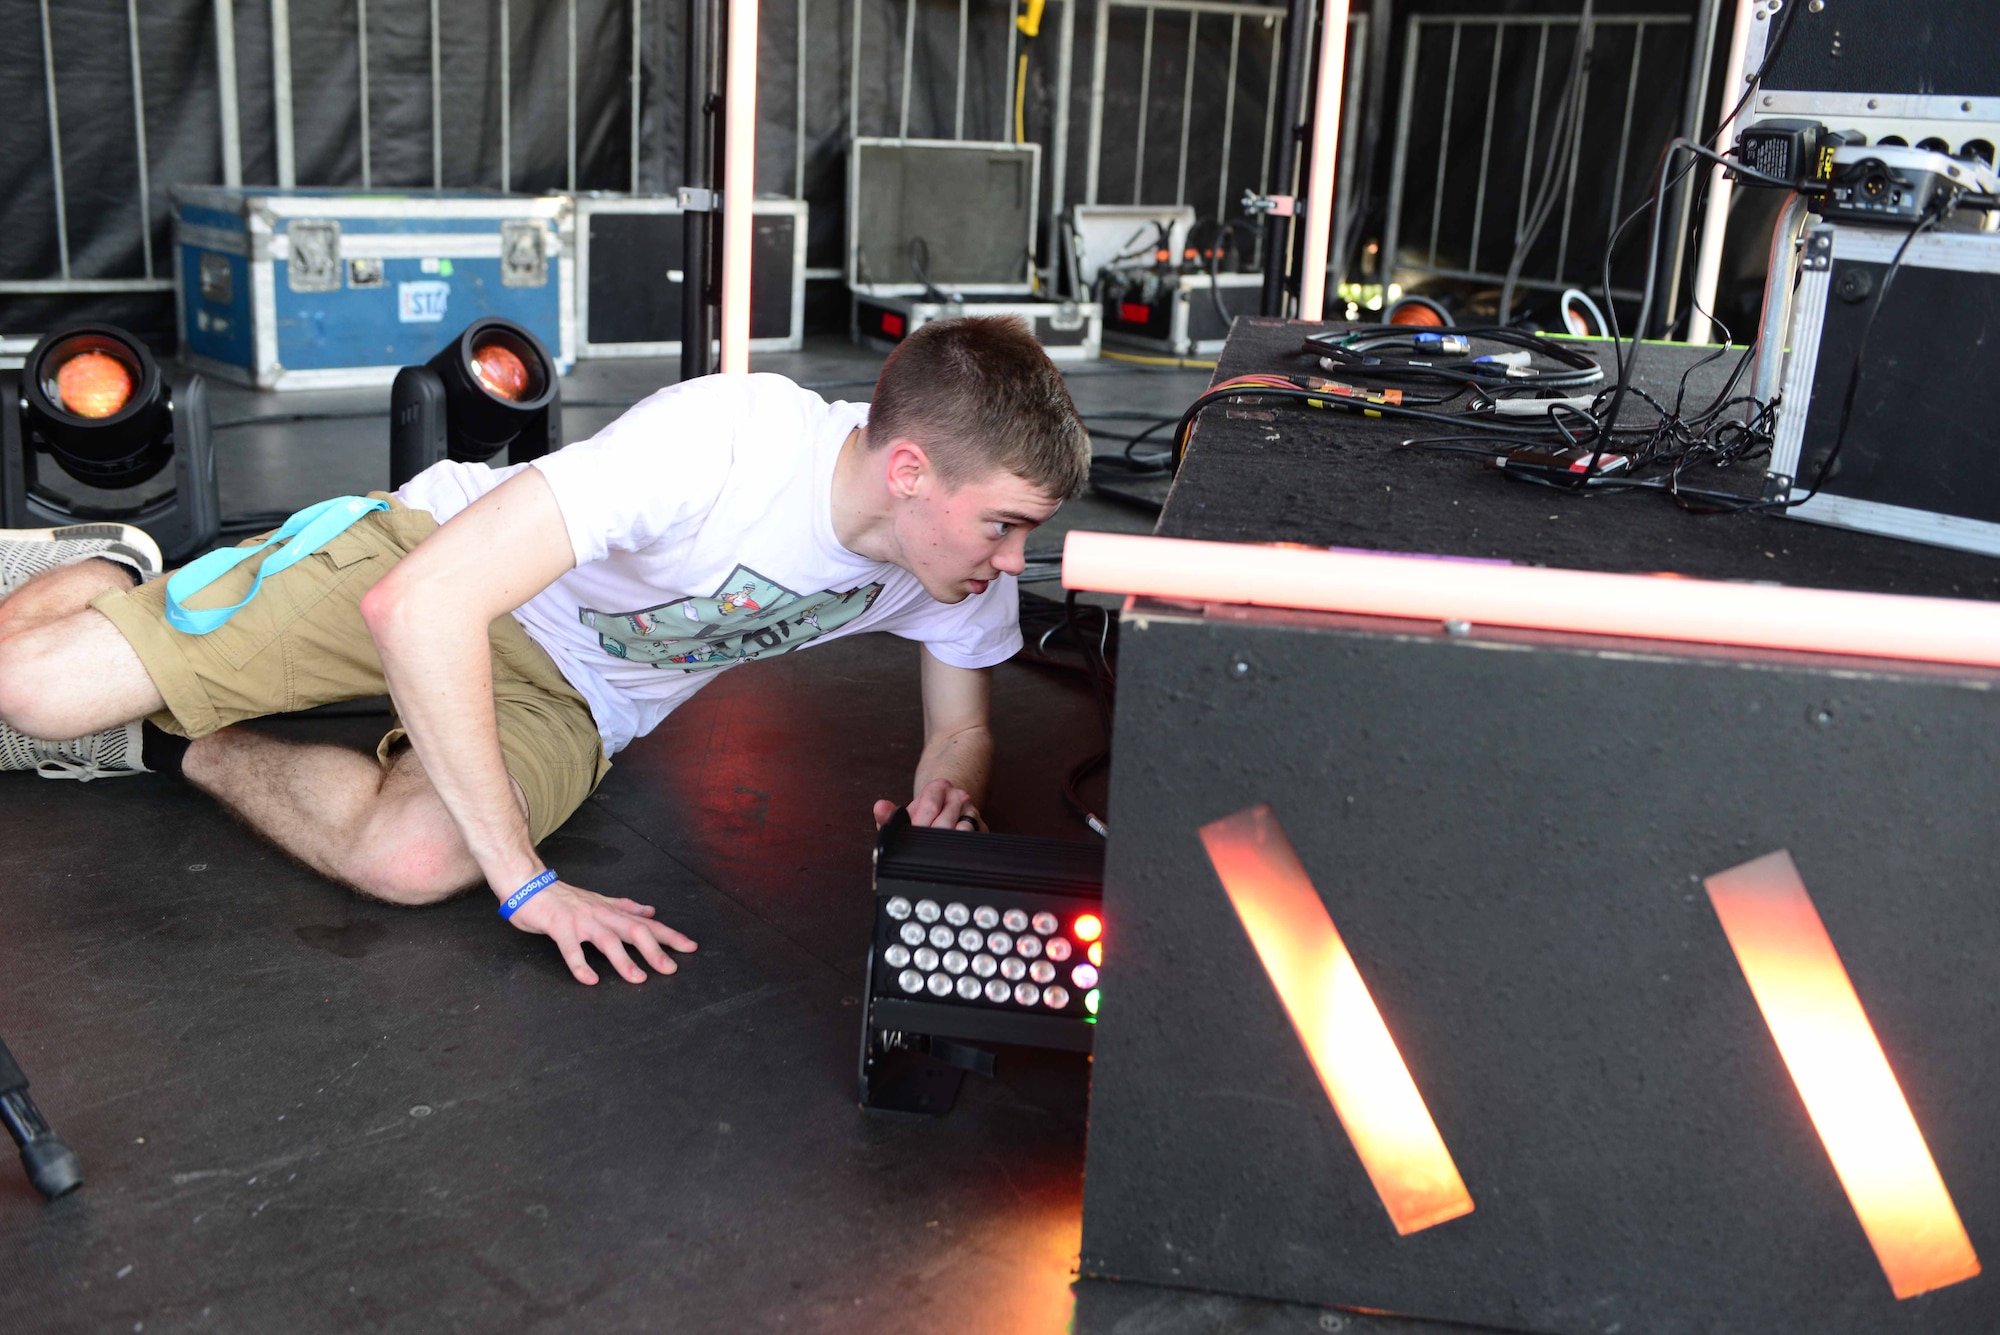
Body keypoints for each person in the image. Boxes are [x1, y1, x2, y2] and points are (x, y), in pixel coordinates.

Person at [0, 316, 1089, 986]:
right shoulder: (725, 441)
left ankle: (167, 742)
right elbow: (425, 607)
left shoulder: (943, 563)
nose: (1013, 558)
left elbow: (960, 726)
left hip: (576, 694)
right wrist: (528, 887)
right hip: (435, 562)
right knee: (33, 693)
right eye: (1002, 523)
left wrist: (948, 797)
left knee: (412, 862)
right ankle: (112, 574)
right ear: (909, 474)